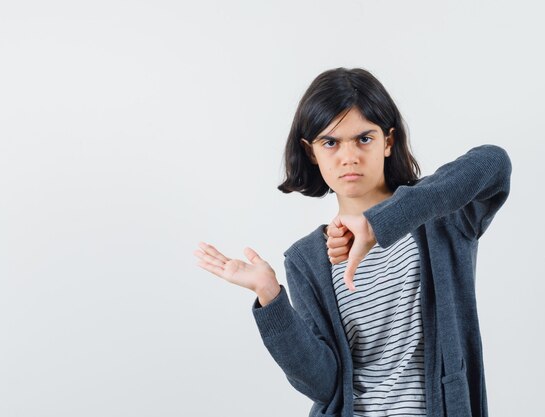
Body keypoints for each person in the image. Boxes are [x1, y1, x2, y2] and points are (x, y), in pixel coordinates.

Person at [194, 67, 512, 417]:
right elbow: (324, 385)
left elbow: (493, 163)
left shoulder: (440, 220)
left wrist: (381, 223)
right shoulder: (308, 259)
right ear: (311, 152)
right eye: (330, 142)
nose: (349, 156)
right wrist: (270, 296)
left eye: (364, 138)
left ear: (388, 142)